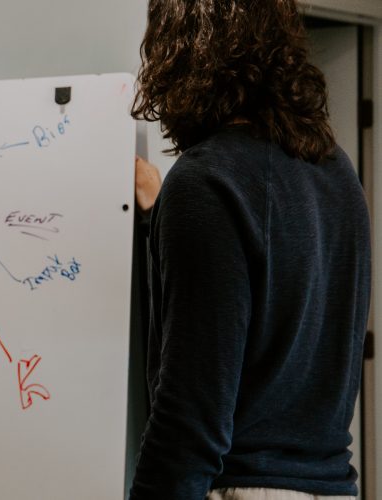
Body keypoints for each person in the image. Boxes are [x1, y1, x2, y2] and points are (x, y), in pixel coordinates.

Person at [128, 1, 370, 499]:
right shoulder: (334, 170)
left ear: (179, 51)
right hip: (332, 488)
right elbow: (278, 298)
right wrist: (161, 216)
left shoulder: (206, 182)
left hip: (243, 487)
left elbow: (191, 416)